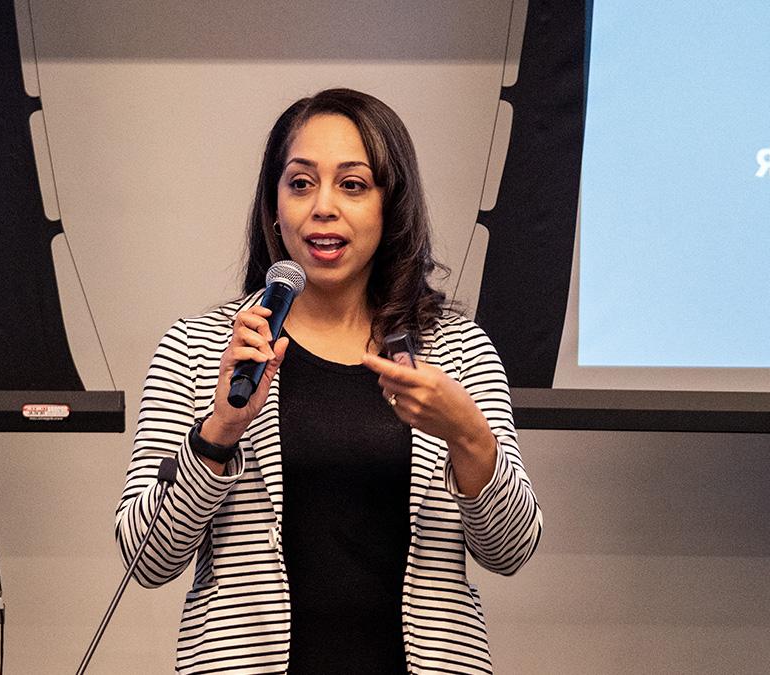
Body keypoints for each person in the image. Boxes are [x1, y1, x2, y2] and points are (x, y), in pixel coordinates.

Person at [115, 88, 543, 674]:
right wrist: (218, 433)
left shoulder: (457, 349)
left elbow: (512, 550)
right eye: (300, 183)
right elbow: (146, 559)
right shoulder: (201, 347)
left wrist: (469, 436)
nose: (323, 207)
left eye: (353, 184)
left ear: (390, 207)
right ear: (274, 206)